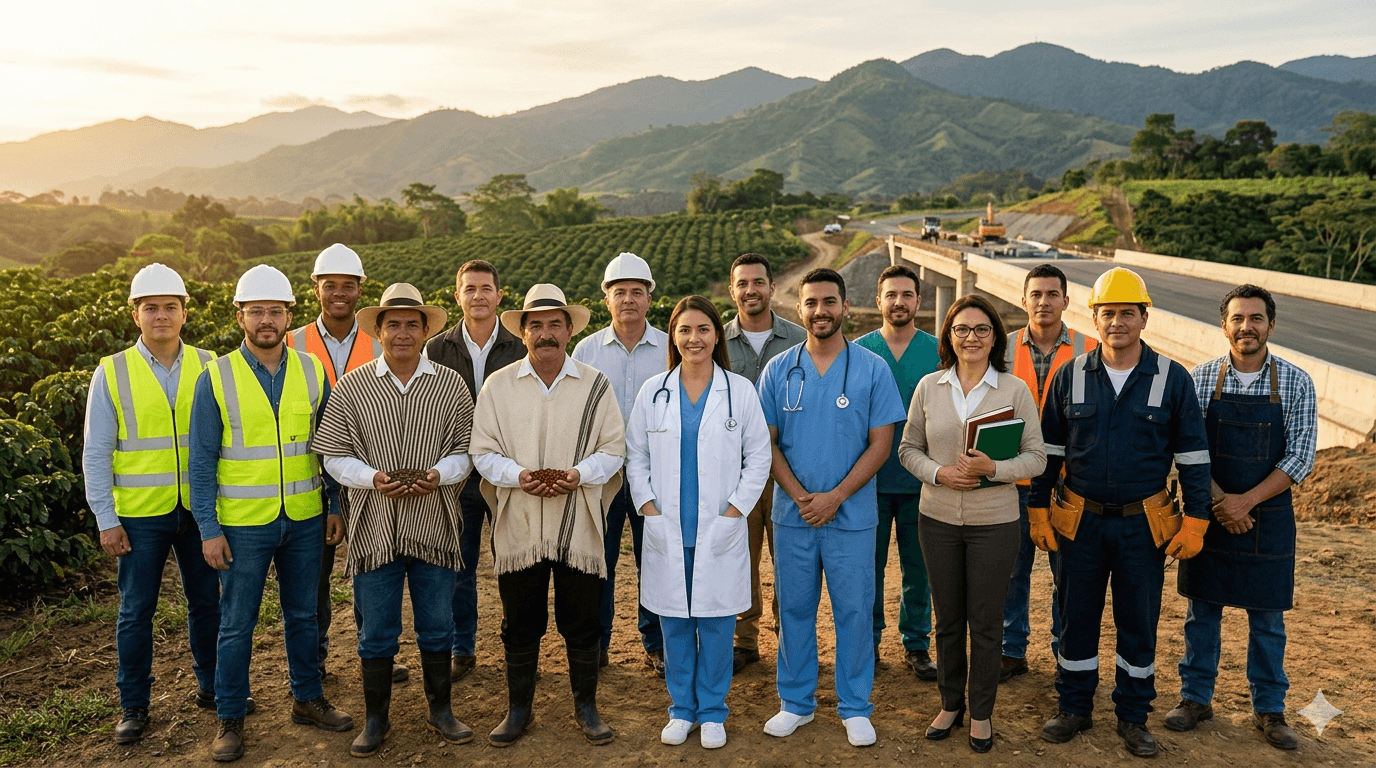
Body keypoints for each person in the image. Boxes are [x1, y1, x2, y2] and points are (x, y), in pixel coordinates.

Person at [1029, 267, 1212, 758]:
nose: (1116, 323)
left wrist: (1197, 519)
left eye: (1126, 313)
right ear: (1093, 318)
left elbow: (1194, 457)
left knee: (1138, 621)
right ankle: (1074, 707)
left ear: (1144, 317)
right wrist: (1037, 510)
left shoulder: (1173, 379)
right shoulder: (1071, 374)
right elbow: (1050, 451)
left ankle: (1133, 716)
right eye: (1107, 313)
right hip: (1080, 521)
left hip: (1143, 525)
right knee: (1075, 617)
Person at [189, 265, 353, 762]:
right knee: (237, 624)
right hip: (243, 524)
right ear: (240, 316)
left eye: (275, 311)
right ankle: (231, 717)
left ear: (289, 315)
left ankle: (307, 698)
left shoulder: (312, 370)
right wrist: (208, 529)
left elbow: (329, 448)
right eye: (256, 311)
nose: (266, 320)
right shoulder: (215, 377)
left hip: (304, 517)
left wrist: (335, 505)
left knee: (304, 615)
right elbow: (201, 462)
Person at [311, 284, 477, 756]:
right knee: (377, 629)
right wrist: (371, 477)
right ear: (378, 331)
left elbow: (466, 452)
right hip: (375, 528)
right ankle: (375, 719)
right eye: (393, 324)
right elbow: (334, 455)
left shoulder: (449, 385)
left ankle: (440, 710)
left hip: (433, 525)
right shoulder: (354, 386)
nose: (402, 333)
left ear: (425, 331)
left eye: (411, 324)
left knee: (437, 624)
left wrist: (438, 474)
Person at [470, 284, 627, 747]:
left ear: (569, 330)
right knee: (520, 620)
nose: (545, 333)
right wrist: (518, 476)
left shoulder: (594, 384)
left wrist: (578, 474)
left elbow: (613, 449)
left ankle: (586, 708)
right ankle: (518, 710)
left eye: (554, 324)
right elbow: (483, 451)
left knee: (581, 618)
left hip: (577, 522)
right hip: (519, 524)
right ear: (521, 332)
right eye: (535, 325)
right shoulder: (498, 386)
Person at [755, 268, 906, 748]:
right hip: (793, 516)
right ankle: (795, 703)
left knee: (854, 611)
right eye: (811, 303)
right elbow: (767, 443)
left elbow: (882, 443)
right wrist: (801, 496)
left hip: (852, 518)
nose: (820, 311)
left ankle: (855, 706)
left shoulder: (871, 368)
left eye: (829, 302)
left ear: (845, 307)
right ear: (799, 310)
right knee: (795, 609)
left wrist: (836, 496)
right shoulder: (779, 370)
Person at [1164, 284, 1316, 751]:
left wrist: (1244, 502)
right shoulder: (1200, 379)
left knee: (1268, 620)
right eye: (1237, 318)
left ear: (1271, 324)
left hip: (1267, 520)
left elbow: (1300, 458)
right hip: (1211, 514)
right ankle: (1195, 698)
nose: (1246, 327)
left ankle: (1270, 710)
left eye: (1255, 318)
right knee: (1201, 613)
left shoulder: (1295, 381)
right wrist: (1221, 503)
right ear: (1224, 323)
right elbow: (1188, 451)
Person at [898, 295, 1047, 753]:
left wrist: (994, 470)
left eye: (981, 329)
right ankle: (949, 703)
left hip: (995, 523)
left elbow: (1037, 458)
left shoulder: (1015, 389)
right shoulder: (929, 386)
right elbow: (908, 449)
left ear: (995, 337)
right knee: (947, 620)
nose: (971, 337)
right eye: (962, 329)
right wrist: (940, 473)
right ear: (949, 335)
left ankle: (980, 712)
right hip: (937, 519)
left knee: (985, 622)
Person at [83, 263, 225, 744]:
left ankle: (211, 688)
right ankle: (134, 705)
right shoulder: (112, 371)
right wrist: (106, 518)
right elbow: (96, 451)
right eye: (151, 308)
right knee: (135, 610)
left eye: (170, 307)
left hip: (199, 510)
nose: (161, 315)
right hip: (139, 515)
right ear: (135, 315)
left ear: (185, 313)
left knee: (207, 602)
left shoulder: (212, 364)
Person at [626, 296, 772, 750]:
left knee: (714, 622)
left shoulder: (739, 391)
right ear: (674, 336)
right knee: (673, 621)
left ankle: (712, 711)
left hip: (718, 528)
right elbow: (636, 456)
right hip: (668, 527)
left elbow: (759, 457)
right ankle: (681, 709)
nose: (694, 339)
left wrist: (734, 511)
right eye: (685, 330)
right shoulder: (655, 391)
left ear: (716, 335)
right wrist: (648, 505)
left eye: (703, 329)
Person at [284, 244, 399, 682]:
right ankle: (315, 660)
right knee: (314, 580)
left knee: (376, 569)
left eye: (347, 286)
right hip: (312, 478)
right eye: (329, 285)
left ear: (359, 291)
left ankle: (377, 652)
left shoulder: (380, 340)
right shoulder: (293, 342)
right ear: (315, 289)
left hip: (373, 477)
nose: (338, 293)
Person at [426, 260, 527, 682]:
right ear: (457, 297)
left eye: (487, 288)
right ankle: (462, 648)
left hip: (507, 475)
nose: (479, 296)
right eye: (470, 289)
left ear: (500, 296)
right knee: (459, 567)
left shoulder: (520, 347)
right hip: (457, 477)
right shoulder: (436, 349)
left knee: (515, 563)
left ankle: (518, 647)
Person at [571, 252, 668, 674]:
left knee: (657, 561)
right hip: (602, 476)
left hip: (656, 475)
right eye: (619, 292)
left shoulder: (671, 347)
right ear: (606, 299)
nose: (628, 299)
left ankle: (657, 642)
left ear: (650, 299)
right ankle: (599, 644)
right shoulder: (586, 350)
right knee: (599, 563)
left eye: (636, 292)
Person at [1000, 264, 1096, 681]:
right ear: (1023, 300)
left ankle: (1065, 650)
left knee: (1069, 577)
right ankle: (1011, 650)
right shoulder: (998, 348)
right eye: (1035, 294)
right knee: (1010, 574)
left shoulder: (1092, 349)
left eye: (1052, 294)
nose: (1043, 302)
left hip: (1068, 485)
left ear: (1066, 301)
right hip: (1012, 483)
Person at [722, 253, 806, 673]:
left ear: (773, 288)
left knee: (788, 559)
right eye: (743, 283)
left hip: (786, 471)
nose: (751, 290)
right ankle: (745, 639)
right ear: (732, 289)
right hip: (734, 474)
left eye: (758, 282)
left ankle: (789, 638)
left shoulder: (799, 340)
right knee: (740, 558)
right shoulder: (716, 340)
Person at [854, 264, 939, 681]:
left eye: (907, 295)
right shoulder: (859, 351)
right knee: (867, 567)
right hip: (867, 483)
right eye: (891, 294)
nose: (899, 302)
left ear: (918, 302)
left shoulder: (940, 351)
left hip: (921, 482)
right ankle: (867, 641)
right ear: (879, 300)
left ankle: (917, 644)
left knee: (917, 568)